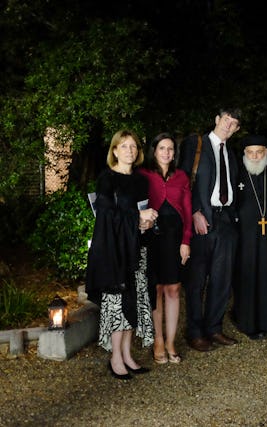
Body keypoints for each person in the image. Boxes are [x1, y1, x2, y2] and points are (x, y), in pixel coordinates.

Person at [86, 129, 157, 380]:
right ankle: (115, 357)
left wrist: (147, 223)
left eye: (134, 146)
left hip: (137, 249)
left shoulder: (140, 181)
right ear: (114, 151)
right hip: (115, 252)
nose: (130, 150)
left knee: (134, 302)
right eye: (124, 146)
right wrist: (138, 217)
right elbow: (107, 216)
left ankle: (127, 355)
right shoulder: (107, 180)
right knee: (117, 304)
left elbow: (142, 212)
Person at [178, 108, 242, 351]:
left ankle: (214, 328)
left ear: (236, 129)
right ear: (217, 119)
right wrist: (194, 212)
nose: (229, 125)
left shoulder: (232, 154)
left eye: (234, 124)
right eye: (226, 120)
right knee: (196, 281)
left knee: (222, 280)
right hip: (201, 220)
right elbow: (183, 182)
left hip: (226, 221)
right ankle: (195, 332)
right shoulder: (196, 145)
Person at [138, 133, 192, 364]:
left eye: (170, 149)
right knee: (157, 289)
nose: (166, 153)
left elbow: (188, 213)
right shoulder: (143, 175)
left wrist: (186, 241)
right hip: (153, 239)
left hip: (175, 240)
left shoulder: (181, 177)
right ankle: (158, 339)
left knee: (173, 289)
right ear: (154, 150)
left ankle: (171, 341)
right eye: (162, 148)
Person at [233, 135, 267, 340]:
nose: (255, 156)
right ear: (244, 154)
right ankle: (247, 323)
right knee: (247, 278)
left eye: (259, 152)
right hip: (244, 241)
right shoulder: (237, 178)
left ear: (266, 153)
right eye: (250, 152)